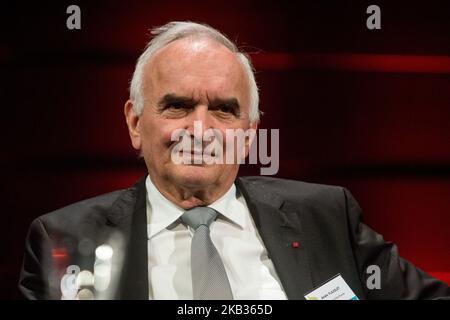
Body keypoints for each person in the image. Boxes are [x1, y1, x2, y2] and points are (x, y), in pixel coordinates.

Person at [19, 21, 450, 300]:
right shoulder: (65, 239)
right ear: (135, 123)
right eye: (177, 106)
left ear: (249, 132)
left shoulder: (326, 217)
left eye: (224, 110)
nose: (201, 130)